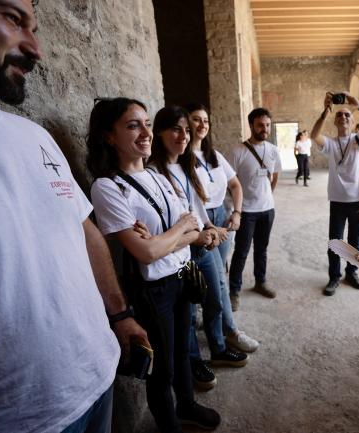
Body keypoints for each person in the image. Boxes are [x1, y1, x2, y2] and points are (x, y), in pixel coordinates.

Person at [0, 2, 148, 432]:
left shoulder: (33, 137)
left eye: (33, 27)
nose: (36, 49)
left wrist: (120, 314)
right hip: (15, 416)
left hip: (97, 377)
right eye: (13, 20)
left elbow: (82, 228)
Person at [87, 98, 220, 432]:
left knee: (184, 350)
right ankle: (169, 424)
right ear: (108, 136)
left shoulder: (158, 177)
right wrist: (173, 235)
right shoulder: (108, 187)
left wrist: (162, 240)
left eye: (146, 123)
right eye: (133, 125)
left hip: (180, 276)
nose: (145, 132)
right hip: (152, 289)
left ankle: (187, 404)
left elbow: (193, 226)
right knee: (162, 366)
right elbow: (146, 254)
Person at [147, 105, 252, 391]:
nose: (183, 135)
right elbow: (167, 222)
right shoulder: (154, 172)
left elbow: (196, 204)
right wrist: (199, 233)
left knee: (216, 296)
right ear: (159, 133)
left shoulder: (184, 164)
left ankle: (218, 348)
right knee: (189, 310)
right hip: (181, 248)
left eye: (185, 129)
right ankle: (194, 361)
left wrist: (210, 228)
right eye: (176, 129)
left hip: (202, 239)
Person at [310, 91, 359, 296]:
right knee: (335, 242)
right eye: (339, 115)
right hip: (338, 201)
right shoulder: (331, 144)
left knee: (354, 242)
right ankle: (334, 277)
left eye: (347, 115)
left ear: (352, 122)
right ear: (335, 121)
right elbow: (315, 135)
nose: (343, 117)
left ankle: (351, 273)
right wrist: (325, 112)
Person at [229, 107, 282, 306]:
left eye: (267, 125)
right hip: (246, 212)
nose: (264, 129)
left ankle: (260, 282)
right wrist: (237, 208)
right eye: (260, 125)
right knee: (241, 251)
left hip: (267, 210)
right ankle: (234, 290)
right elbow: (230, 181)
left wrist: (268, 196)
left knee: (262, 249)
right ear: (251, 125)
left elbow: (275, 175)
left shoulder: (273, 150)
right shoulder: (238, 151)